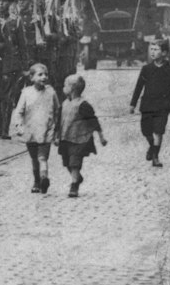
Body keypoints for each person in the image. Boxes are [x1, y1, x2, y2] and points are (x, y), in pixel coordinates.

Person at [9, 63, 59, 194]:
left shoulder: (51, 92)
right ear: (31, 77)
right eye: (40, 74)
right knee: (34, 158)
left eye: (46, 74)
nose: (44, 77)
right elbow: (19, 112)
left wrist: (56, 129)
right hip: (30, 132)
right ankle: (37, 181)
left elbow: (57, 110)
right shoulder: (26, 93)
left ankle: (44, 178)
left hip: (46, 131)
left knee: (42, 157)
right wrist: (19, 126)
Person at [129, 40, 170, 166]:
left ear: (164, 53)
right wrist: (133, 104)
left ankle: (156, 157)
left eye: (156, 49)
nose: (152, 52)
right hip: (147, 105)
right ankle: (152, 146)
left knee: (158, 130)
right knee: (146, 131)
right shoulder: (146, 69)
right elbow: (139, 87)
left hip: (163, 105)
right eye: (151, 49)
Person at [56, 73, 105, 197]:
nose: (63, 88)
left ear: (72, 88)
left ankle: (74, 185)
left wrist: (101, 136)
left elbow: (93, 121)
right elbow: (59, 121)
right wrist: (56, 135)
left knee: (75, 162)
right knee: (67, 162)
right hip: (66, 138)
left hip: (79, 139)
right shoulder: (64, 104)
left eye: (65, 85)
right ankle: (77, 177)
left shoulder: (83, 105)